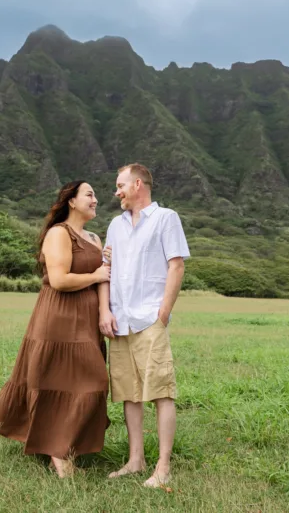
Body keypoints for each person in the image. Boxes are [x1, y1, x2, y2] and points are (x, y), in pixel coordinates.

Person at [0, 180, 111, 478]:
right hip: (59, 315)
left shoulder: (94, 237)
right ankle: (58, 452)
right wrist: (95, 275)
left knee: (93, 383)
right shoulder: (59, 233)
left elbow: (105, 275)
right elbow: (59, 280)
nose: (95, 199)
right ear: (71, 201)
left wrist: (104, 309)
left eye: (95, 195)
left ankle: (61, 443)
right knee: (56, 379)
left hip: (87, 318)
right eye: (89, 194)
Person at [100, 163, 189, 488]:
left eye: (121, 185)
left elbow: (176, 266)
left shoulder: (166, 218)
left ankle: (163, 466)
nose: (117, 192)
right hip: (120, 321)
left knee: (161, 391)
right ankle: (135, 460)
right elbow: (106, 269)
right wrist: (105, 311)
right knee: (129, 393)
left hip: (150, 318)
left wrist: (162, 313)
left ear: (138, 184)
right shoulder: (115, 225)